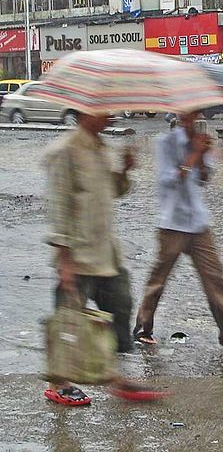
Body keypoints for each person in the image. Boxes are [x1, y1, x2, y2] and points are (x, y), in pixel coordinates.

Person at [43, 112, 167, 406]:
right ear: (84, 113)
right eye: (102, 110)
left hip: (106, 253)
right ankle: (58, 383)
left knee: (120, 309)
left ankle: (115, 377)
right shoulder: (66, 152)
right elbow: (59, 207)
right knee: (69, 319)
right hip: (77, 254)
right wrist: (65, 260)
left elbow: (113, 191)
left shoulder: (99, 148)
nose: (109, 115)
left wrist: (124, 170)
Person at [133, 111, 223, 347]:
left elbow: (203, 179)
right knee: (159, 279)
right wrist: (193, 155)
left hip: (198, 223)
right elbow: (168, 180)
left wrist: (202, 156)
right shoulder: (165, 143)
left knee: (215, 278)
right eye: (184, 116)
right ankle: (142, 328)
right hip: (172, 223)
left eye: (193, 115)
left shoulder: (200, 139)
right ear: (177, 116)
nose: (189, 119)